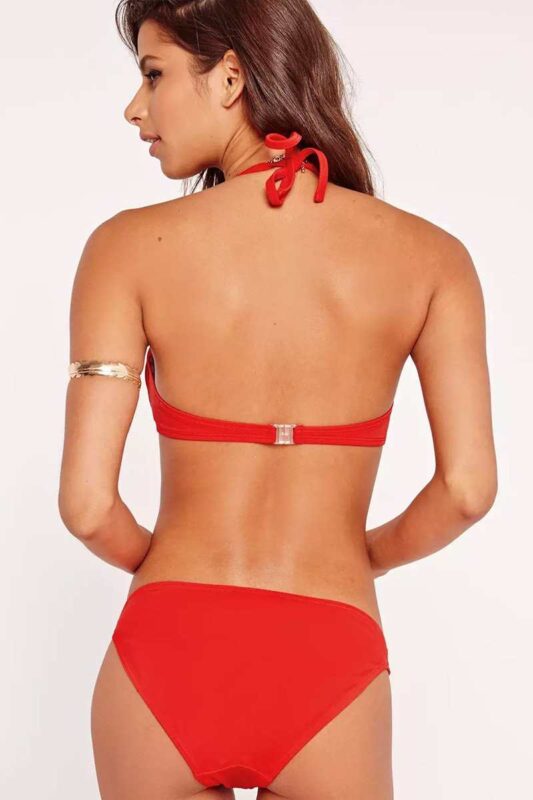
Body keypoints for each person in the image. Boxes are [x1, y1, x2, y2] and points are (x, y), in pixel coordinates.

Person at [57, 1, 498, 798]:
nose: (135, 109)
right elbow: (467, 490)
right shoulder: (433, 259)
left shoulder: (124, 248)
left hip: (168, 646)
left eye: (153, 76)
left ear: (229, 77)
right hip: (331, 643)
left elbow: (88, 509)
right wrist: (359, 557)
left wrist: (169, 569)